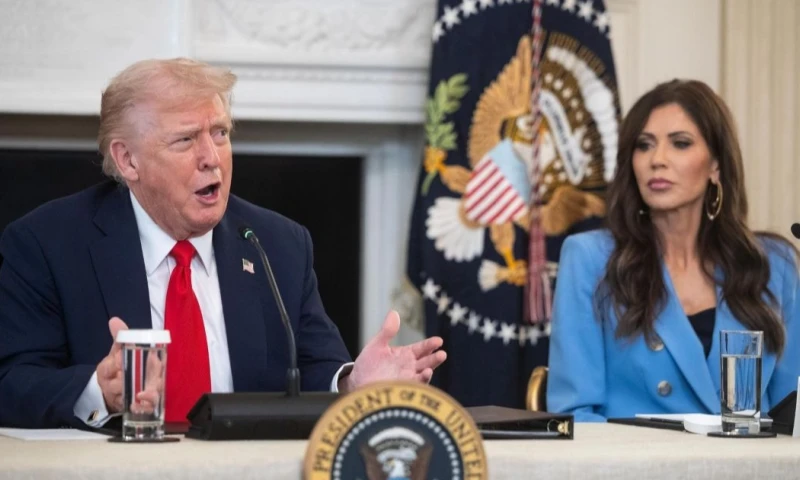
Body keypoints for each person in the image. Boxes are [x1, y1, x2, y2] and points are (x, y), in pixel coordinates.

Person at [0, 58, 446, 429]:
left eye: (220, 133)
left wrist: (350, 384)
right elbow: (12, 383)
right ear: (128, 159)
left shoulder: (277, 244)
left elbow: (310, 365)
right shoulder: (48, 243)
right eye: (186, 139)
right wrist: (99, 390)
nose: (212, 158)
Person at [546, 79, 800, 422]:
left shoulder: (772, 264)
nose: (657, 160)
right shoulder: (589, 257)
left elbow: (791, 416)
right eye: (644, 145)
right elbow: (576, 416)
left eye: (680, 144)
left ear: (716, 166)